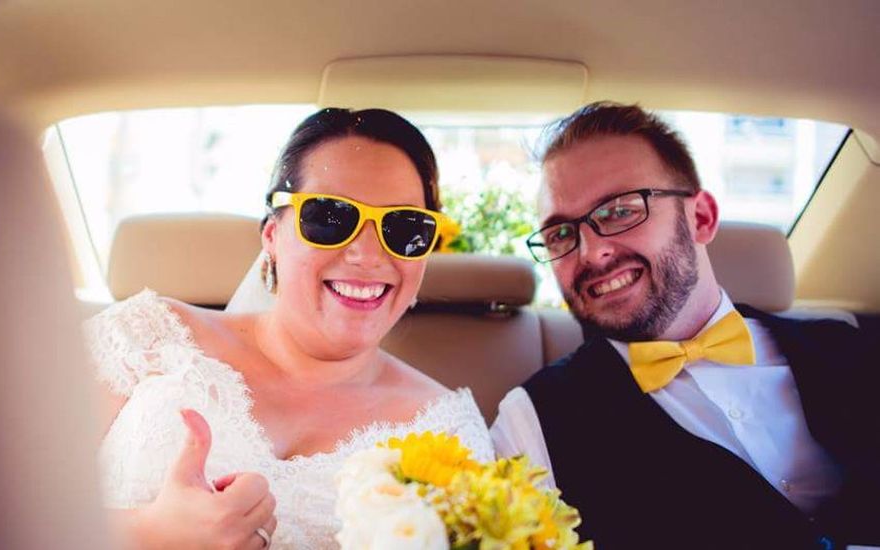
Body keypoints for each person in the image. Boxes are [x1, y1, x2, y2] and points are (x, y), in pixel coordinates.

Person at [87, 108, 494, 549]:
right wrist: (147, 534)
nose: (367, 255)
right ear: (271, 235)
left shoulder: (450, 431)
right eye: (329, 218)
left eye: (405, 229)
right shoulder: (144, 335)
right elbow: (3, 504)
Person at [491, 102, 879, 549]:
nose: (591, 253)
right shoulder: (534, 420)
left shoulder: (850, 349)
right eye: (561, 233)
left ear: (701, 218)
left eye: (619, 211)